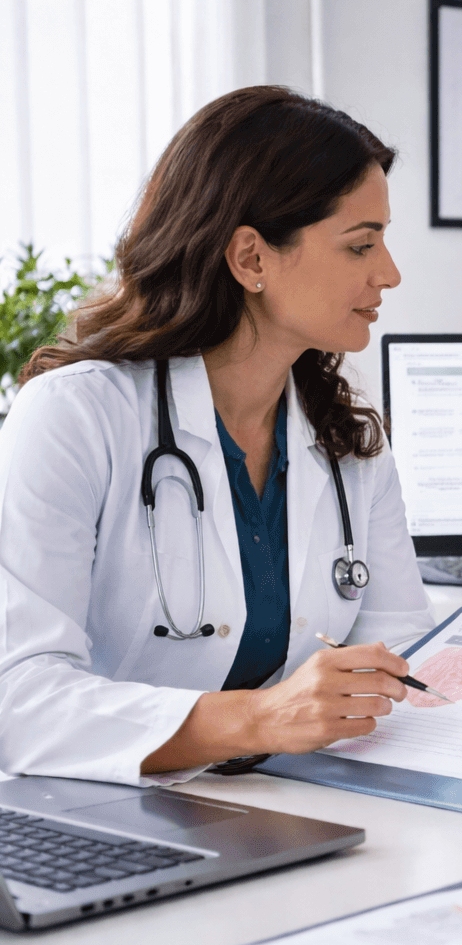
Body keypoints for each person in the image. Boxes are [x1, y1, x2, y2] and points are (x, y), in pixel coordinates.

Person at [0, 86, 436, 786]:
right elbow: (17, 703)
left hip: (290, 807)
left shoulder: (347, 442)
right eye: (362, 245)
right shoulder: (75, 417)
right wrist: (264, 719)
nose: (389, 274)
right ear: (251, 259)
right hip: (94, 815)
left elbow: (405, 657)